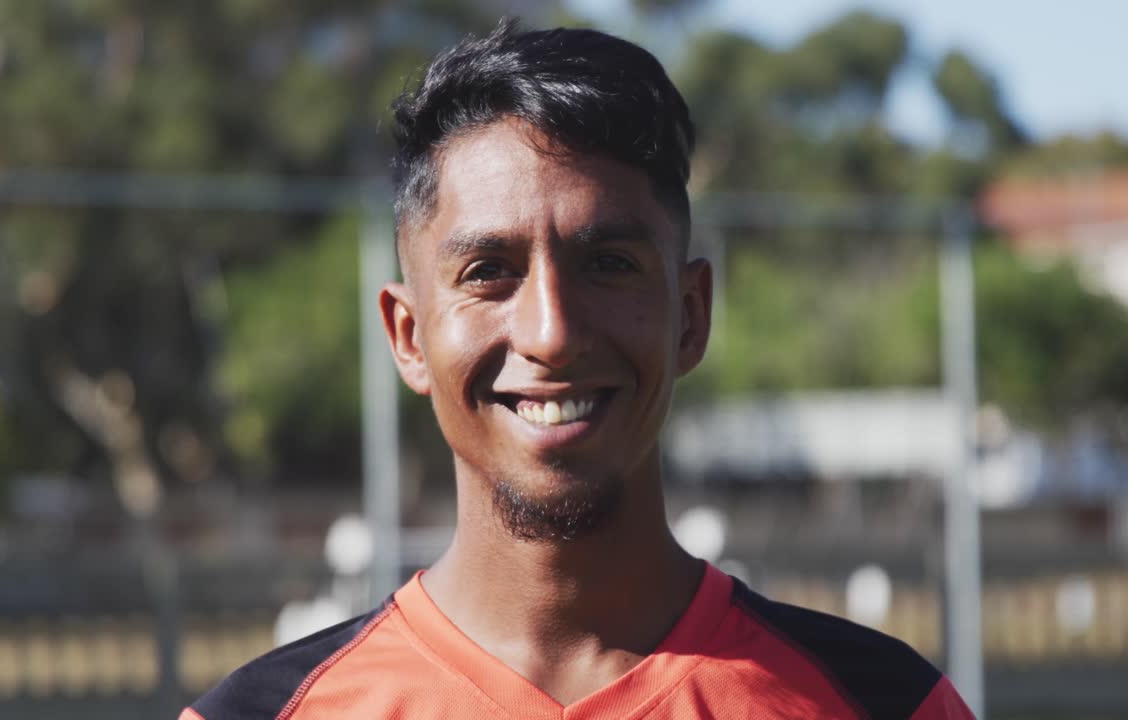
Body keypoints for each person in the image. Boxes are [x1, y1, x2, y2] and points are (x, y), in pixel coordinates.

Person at [181, 19, 975, 720]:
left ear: (691, 314)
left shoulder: (887, 705)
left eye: (609, 264)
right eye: (489, 270)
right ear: (409, 336)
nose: (553, 333)